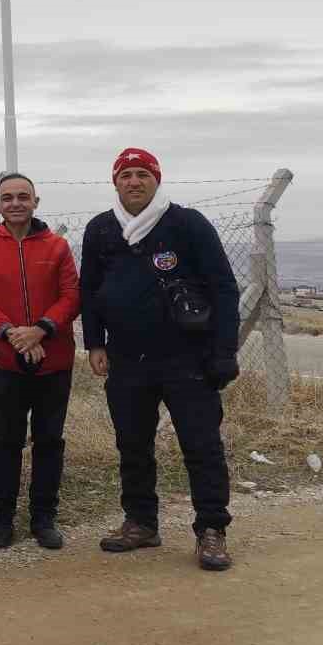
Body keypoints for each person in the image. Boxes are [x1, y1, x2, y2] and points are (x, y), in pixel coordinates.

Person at [81, 148, 241, 572]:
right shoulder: (100, 230)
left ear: (156, 179)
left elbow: (224, 288)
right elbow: (89, 292)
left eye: (142, 174)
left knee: (201, 446)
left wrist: (224, 351)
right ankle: (140, 522)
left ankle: (211, 529)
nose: (134, 181)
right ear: (115, 182)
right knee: (132, 445)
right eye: (126, 175)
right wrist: (95, 343)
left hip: (187, 357)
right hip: (127, 358)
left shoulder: (187, 224)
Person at [0, 172, 80, 551]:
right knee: (7, 439)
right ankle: (2, 515)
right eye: (7, 197)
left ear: (35, 201)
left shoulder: (57, 247)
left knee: (49, 440)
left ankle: (43, 516)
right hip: (6, 359)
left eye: (22, 197)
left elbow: (71, 295)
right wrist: (13, 333)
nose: (15, 203)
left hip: (54, 360)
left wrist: (41, 329)